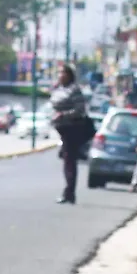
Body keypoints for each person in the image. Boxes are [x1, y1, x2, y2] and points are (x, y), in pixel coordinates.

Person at [48, 64, 93, 205]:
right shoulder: (59, 89)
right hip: (61, 129)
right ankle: (69, 192)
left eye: (63, 73)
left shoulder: (74, 90)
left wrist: (63, 115)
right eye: (59, 73)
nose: (60, 76)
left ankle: (69, 193)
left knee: (69, 161)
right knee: (67, 160)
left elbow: (80, 110)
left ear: (69, 75)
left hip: (72, 128)